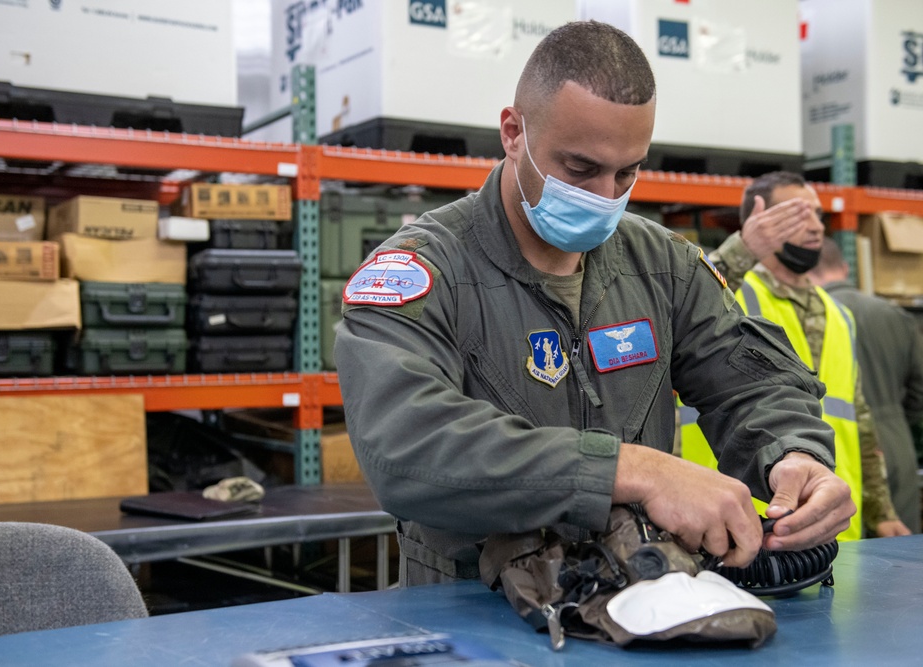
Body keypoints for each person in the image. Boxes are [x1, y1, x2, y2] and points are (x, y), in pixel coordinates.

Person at [334, 21, 854, 587]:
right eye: (580, 168)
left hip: (639, 604)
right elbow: (408, 447)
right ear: (513, 132)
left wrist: (794, 455)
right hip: (468, 614)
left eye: (626, 172)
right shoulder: (421, 274)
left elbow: (751, 380)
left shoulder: (664, 265)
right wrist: (631, 471)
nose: (604, 197)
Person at [681, 171, 910, 539]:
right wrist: (743, 249)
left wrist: (881, 511)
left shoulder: (839, 315)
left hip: (833, 524)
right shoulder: (730, 296)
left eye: (818, 214)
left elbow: (859, 417)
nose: (816, 226)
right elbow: (687, 298)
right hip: (743, 518)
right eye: (797, 214)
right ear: (757, 219)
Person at [809, 236, 923, 532]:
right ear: (845, 268)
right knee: (904, 556)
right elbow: (920, 393)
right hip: (896, 441)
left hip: (837, 446)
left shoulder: (809, 316)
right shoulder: (895, 315)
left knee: (849, 560)